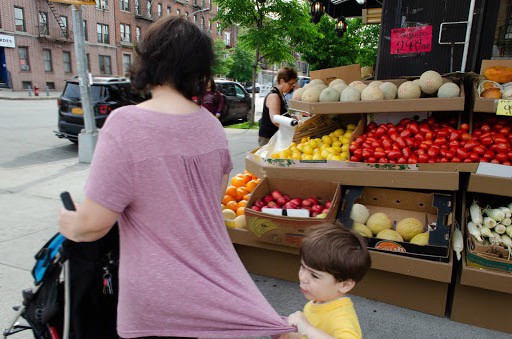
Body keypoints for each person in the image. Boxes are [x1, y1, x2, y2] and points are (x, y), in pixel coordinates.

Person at [58, 16, 292, 339]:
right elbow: (210, 201)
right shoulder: (211, 127)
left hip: (156, 301)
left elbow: (93, 225)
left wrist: (68, 222)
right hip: (214, 292)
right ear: (200, 70)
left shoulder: (125, 124)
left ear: (148, 61)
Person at [285, 223, 371, 339]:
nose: (303, 277)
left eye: (314, 275)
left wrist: (308, 329)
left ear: (345, 285)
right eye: (302, 267)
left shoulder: (341, 317)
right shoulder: (317, 301)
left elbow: (310, 331)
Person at [258, 66, 298, 146]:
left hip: (277, 136)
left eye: (293, 85)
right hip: (269, 138)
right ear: (282, 81)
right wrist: (292, 128)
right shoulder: (274, 96)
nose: (291, 87)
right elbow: (275, 120)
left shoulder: (281, 95)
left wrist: (291, 117)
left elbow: (282, 114)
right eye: (290, 84)